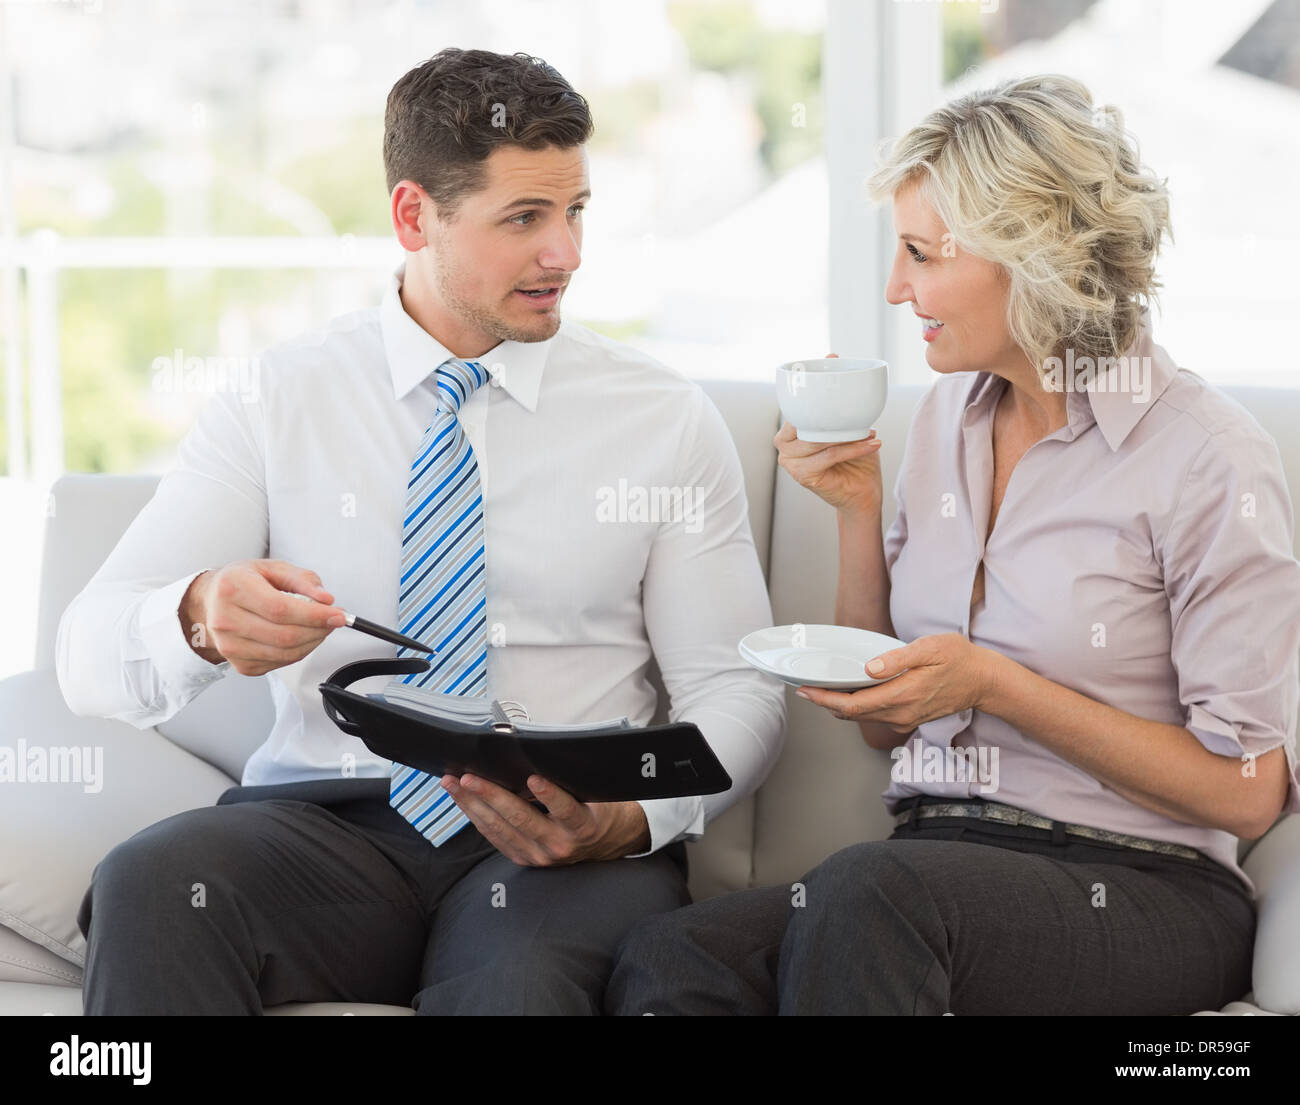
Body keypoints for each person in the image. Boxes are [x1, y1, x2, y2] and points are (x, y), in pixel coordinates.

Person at [58, 47, 785, 1015]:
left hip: (560, 842)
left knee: (518, 990)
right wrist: (193, 616)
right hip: (333, 828)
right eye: (523, 218)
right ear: (413, 215)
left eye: (574, 211)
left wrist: (630, 819)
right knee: (150, 881)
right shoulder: (282, 396)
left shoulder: (658, 415)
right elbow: (87, 656)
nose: (563, 253)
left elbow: (732, 685)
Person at [605, 74, 1300, 1016]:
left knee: (867, 894)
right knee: (675, 954)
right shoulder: (948, 420)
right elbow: (889, 722)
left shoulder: (1207, 460)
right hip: (937, 862)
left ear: (1037, 255)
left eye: (923, 254)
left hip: (1145, 887)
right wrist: (858, 512)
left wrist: (998, 683)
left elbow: (1252, 793)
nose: (898, 287)